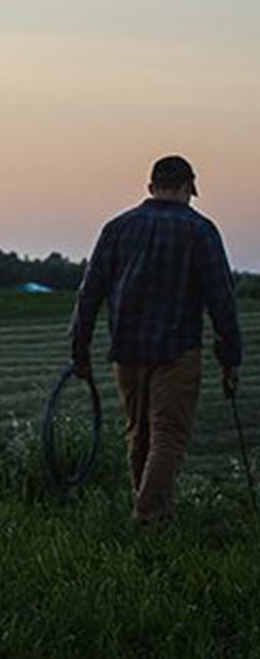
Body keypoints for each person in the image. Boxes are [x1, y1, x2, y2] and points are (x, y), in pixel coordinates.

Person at [70, 155, 243, 528]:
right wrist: (231, 358)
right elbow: (222, 299)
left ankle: (154, 518)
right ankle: (148, 519)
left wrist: (79, 350)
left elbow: (89, 294)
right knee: (169, 437)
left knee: (140, 436)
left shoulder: (117, 228)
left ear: (151, 188)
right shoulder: (201, 231)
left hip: (127, 352)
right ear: (186, 189)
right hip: (177, 351)